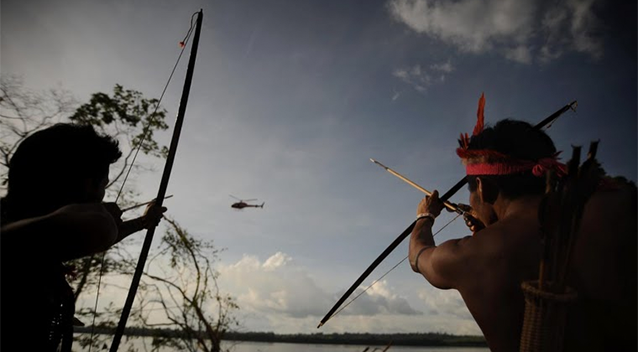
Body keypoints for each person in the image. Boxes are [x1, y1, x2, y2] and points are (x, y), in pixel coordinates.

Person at [408, 115, 636, 351]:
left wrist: (425, 216)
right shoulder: (618, 206)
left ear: (483, 188)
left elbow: (418, 254)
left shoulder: (468, 256)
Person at [1, 123, 167, 352]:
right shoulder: (13, 241)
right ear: (88, 184)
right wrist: (96, 215)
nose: (102, 195)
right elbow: (95, 226)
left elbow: (56, 235)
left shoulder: (33, 238)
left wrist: (141, 222)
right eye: (104, 185)